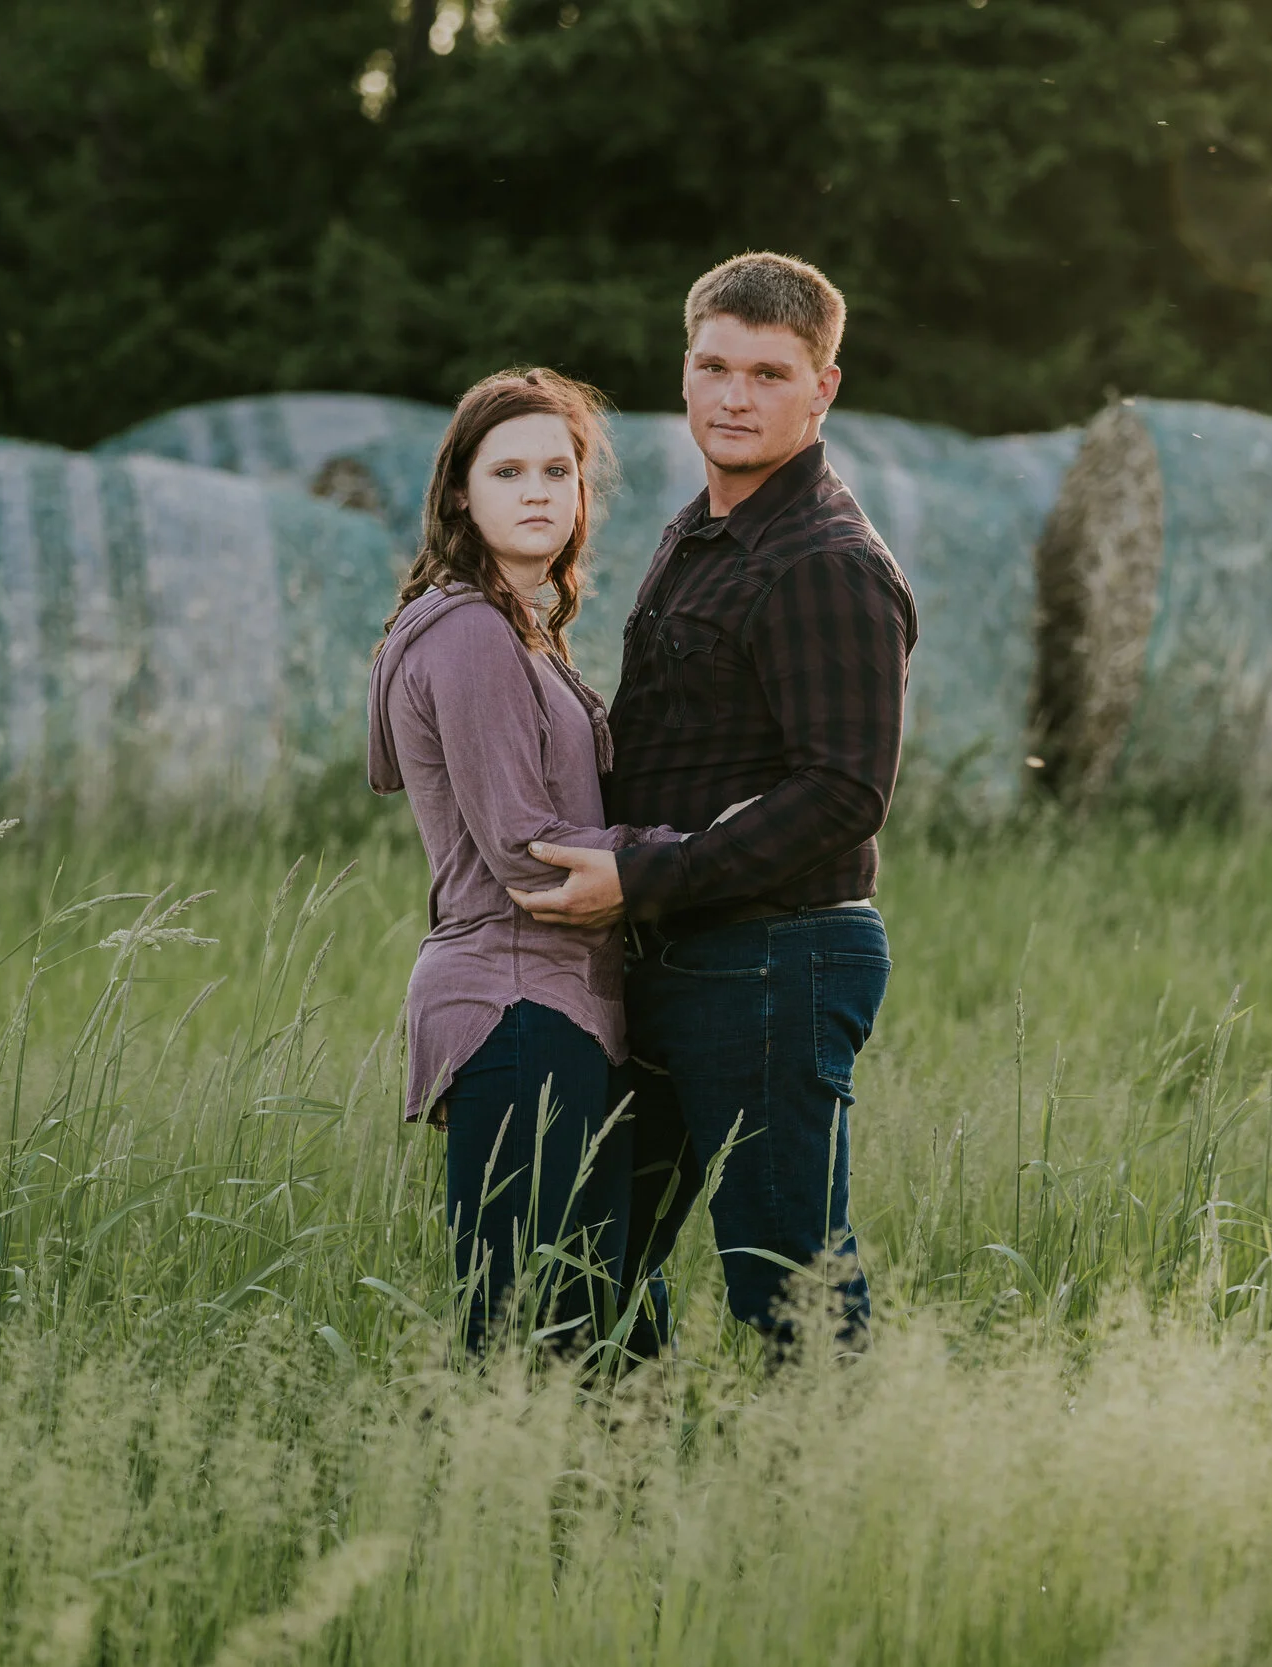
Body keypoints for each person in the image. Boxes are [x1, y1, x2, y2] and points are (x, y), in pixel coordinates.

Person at [513, 253, 915, 1358]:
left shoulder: (824, 560)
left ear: (823, 388)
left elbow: (844, 790)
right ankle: (616, 1459)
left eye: (769, 374)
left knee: (787, 1281)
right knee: (585, 1257)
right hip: (676, 950)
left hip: (774, 958)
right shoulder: (699, 532)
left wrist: (643, 877)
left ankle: (833, 1468)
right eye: (713, 367)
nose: (735, 397)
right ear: (684, 370)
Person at [366, 367, 675, 1357]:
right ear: (460, 491)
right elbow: (526, 852)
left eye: (557, 470)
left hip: (564, 1007)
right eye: (507, 471)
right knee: (529, 1331)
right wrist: (695, 856)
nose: (537, 491)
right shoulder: (468, 631)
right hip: (513, 1002)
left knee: (603, 1330)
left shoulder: (523, 632)